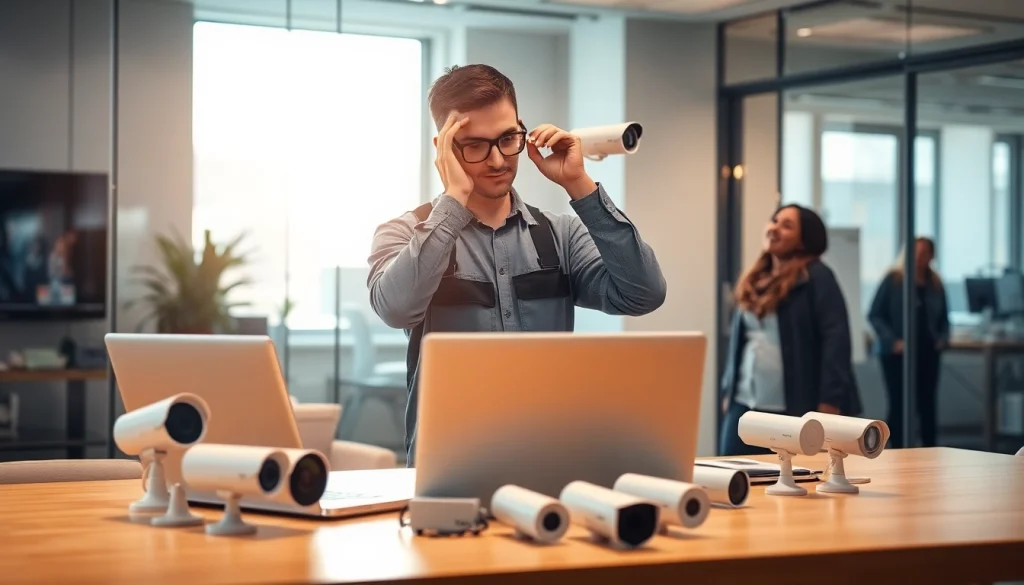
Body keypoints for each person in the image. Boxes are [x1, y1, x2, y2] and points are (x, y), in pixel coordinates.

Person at [367, 64, 667, 464]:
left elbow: (643, 294)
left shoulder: (560, 234)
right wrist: (454, 201)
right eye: (474, 145)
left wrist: (579, 185)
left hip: (550, 459)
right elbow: (396, 307)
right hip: (449, 462)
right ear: (444, 148)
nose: (496, 160)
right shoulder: (403, 234)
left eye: (508, 138)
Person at [719, 204, 862, 456]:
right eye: (774, 221)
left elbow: (836, 341)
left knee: (793, 481)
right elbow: (741, 343)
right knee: (734, 475)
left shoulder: (817, 277)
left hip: (794, 405)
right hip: (744, 403)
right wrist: (728, 389)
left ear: (805, 239)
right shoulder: (756, 277)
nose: (775, 228)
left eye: (787, 225)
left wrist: (829, 401)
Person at [868, 237, 948, 449]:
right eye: (917, 252)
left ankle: (931, 449)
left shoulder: (935, 283)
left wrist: (942, 338)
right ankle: (897, 448)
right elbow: (875, 314)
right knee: (899, 403)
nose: (921, 258)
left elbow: (944, 318)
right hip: (897, 353)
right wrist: (892, 341)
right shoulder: (894, 280)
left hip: (927, 351)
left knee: (927, 403)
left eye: (926, 253)